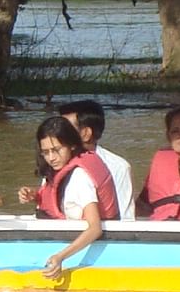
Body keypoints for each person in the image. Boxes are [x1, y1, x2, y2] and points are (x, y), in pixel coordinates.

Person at [16, 115, 120, 278]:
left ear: (71, 145)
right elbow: (59, 198)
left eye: (57, 150)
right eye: (45, 152)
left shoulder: (80, 177)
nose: (51, 158)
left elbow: (95, 228)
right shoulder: (58, 169)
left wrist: (60, 257)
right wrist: (35, 195)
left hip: (77, 249)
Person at [57, 99, 136, 219]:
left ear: (86, 133)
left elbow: (125, 219)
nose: (57, 134)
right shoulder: (55, 161)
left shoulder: (118, 167)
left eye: (65, 129)